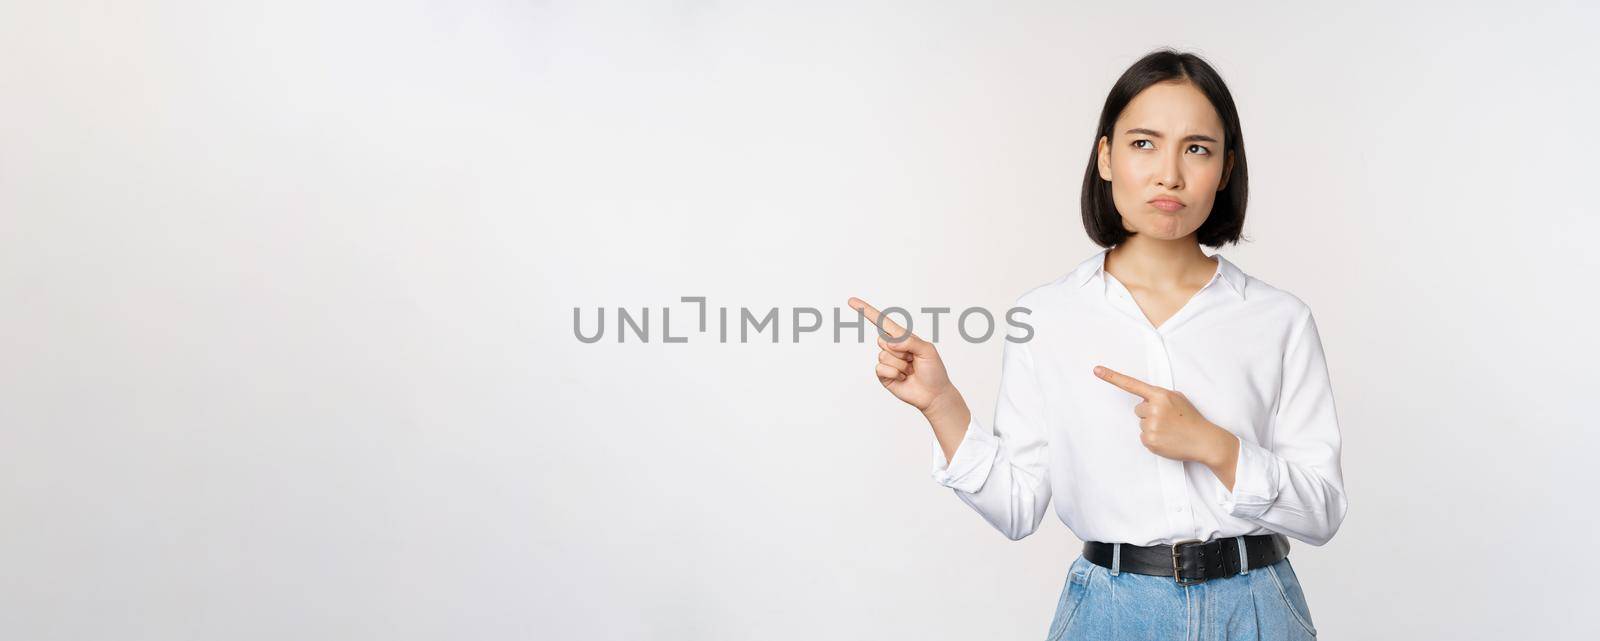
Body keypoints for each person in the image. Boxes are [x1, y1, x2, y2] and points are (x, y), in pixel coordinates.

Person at [847, 48, 1347, 641]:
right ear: (1106, 157)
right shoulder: (1048, 315)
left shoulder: (1278, 319)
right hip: (1112, 613)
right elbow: (1015, 507)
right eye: (1143, 144)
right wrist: (941, 405)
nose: (1170, 174)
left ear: (1226, 168)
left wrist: (1215, 446)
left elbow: (1321, 514)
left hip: (1257, 608)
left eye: (1197, 149)